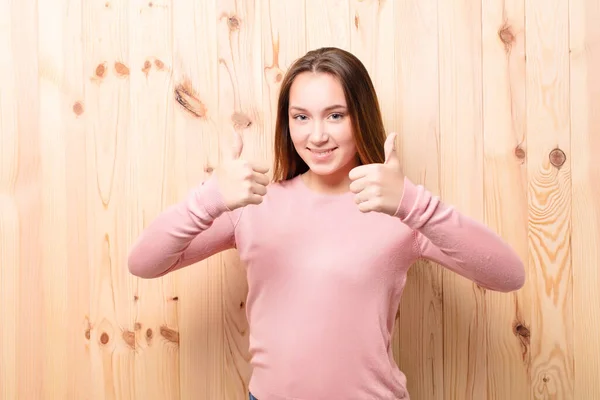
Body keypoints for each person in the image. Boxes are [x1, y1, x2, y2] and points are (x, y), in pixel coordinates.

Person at [127, 47, 525, 400]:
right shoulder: (253, 204)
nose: (316, 135)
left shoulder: (399, 210)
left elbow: (508, 275)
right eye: (301, 117)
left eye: (335, 115)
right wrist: (209, 197)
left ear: (360, 117)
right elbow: (144, 262)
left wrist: (413, 203)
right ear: (288, 123)